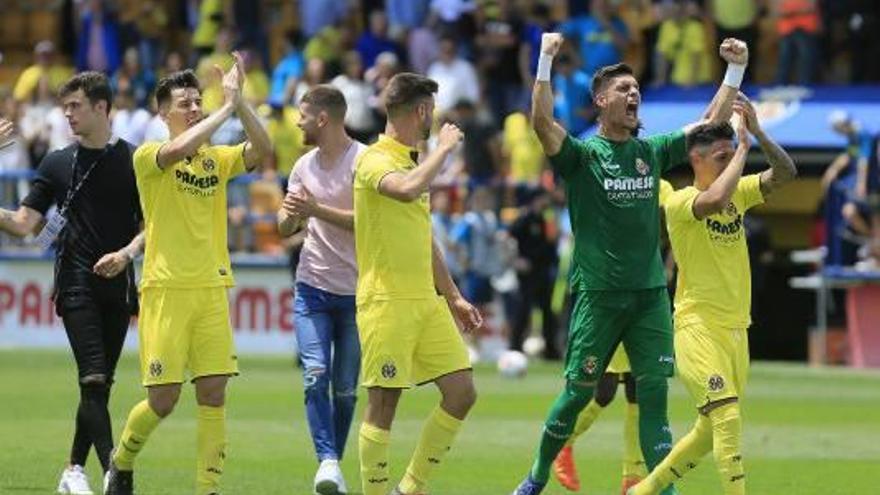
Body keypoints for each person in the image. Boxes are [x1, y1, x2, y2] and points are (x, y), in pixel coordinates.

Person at [512, 31, 749, 495]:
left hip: (648, 298)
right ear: (601, 100)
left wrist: (735, 71)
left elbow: (707, 124)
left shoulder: (650, 152)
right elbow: (541, 121)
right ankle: (537, 475)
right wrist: (545, 59)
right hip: (598, 297)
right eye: (623, 89)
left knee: (653, 398)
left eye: (636, 87)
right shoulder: (582, 157)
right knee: (579, 394)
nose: (633, 93)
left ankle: (661, 490)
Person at [105, 54, 271, 495]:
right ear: (163, 113)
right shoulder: (147, 156)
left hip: (213, 288)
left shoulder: (217, 159)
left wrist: (243, 104)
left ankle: (207, 489)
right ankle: (120, 460)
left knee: (214, 393)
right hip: (166, 289)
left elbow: (264, 150)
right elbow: (178, 149)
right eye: (185, 103)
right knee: (163, 400)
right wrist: (224, 109)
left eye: (198, 101)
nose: (194, 107)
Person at [628, 95, 797, 495]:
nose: (731, 164)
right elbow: (716, 198)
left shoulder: (739, 192)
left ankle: (643, 491)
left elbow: (786, 172)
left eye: (730, 156)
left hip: (736, 331)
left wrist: (756, 132)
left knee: (707, 432)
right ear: (697, 161)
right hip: (697, 327)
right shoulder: (684, 202)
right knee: (727, 418)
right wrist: (741, 149)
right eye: (720, 157)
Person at [0, 71, 143, 495]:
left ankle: (72, 470)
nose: (67, 114)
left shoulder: (136, 161)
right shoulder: (57, 162)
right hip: (75, 280)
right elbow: (25, 225)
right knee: (93, 379)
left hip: (119, 283)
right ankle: (115, 473)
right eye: (64, 107)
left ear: (102, 107)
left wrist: (127, 254)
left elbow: (151, 225)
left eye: (75, 106)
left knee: (100, 385)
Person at [353, 72, 482, 495]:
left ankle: (409, 489)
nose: (435, 122)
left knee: (462, 392)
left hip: (425, 302)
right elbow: (406, 191)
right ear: (421, 110)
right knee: (384, 402)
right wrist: (444, 149)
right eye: (432, 111)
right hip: (386, 301)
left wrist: (454, 297)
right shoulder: (374, 158)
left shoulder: (413, 160)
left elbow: (423, 238)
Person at [553, 180, 675, 495]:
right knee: (603, 389)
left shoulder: (660, 186)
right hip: (610, 292)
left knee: (636, 390)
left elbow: (676, 220)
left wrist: (669, 262)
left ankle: (631, 477)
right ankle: (562, 445)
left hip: (643, 294)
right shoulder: (604, 182)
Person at [277, 85, 367, 495]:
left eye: (302, 114)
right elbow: (285, 225)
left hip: (356, 294)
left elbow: (366, 221)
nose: (297, 121)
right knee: (315, 375)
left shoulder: (363, 161)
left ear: (323, 119)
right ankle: (328, 462)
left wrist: (314, 210)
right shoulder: (301, 166)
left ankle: (333, 464)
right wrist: (291, 215)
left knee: (346, 390)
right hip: (311, 286)